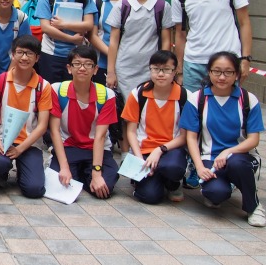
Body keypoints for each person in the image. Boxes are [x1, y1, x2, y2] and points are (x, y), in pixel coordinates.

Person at [179, 52, 265, 227]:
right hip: (209, 158)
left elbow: (253, 140)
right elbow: (191, 138)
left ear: (236, 74)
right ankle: (224, 185)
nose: (222, 77)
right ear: (209, 72)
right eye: (217, 71)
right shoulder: (197, 99)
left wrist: (228, 152)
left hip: (241, 157)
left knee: (236, 164)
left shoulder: (248, 99)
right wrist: (200, 167)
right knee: (216, 194)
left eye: (228, 72)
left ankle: (254, 207)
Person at [171, 0, 252, 93]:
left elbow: (244, 22)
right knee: (193, 105)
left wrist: (245, 58)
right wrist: (180, 69)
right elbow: (180, 34)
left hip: (226, 61)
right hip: (193, 63)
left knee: (226, 104)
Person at [49, 45, 118, 199]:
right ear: (69, 68)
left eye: (88, 64)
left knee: (104, 188)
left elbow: (100, 136)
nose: (82, 68)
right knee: (61, 185)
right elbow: (54, 131)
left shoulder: (107, 95)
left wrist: (96, 172)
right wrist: (64, 167)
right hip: (69, 146)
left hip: (97, 149)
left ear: (95, 69)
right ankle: (77, 171)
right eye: (77, 64)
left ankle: (85, 172)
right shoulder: (57, 90)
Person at [0, 35, 52, 197]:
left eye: (29, 53)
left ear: (37, 58)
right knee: (0, 162)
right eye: (20, 52)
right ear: (13, 55)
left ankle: (24, 170)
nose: (24, 57)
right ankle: (1, 172)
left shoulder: (43, 86)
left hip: (29, 143)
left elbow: (42, 126)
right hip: (2, 139)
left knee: (34, 189)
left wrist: (19, 149)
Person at [122, 51, 188, 205]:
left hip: (171, 150)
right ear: (150, 69)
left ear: (175, 71)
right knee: (150, 197)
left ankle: (173, 184)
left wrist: (160, 150)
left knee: (172, 167)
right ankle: (148, 180)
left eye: (166, 69)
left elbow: (185, 136)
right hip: (144, 150)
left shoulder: (185, 96)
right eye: (156, 69)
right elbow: (131, 131)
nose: (161, 74)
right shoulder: (138, 94)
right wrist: (139, 158)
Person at [106, 0, 172, 101]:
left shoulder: (162, 6)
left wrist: (163, 67)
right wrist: (111, 72)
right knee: (127, 107)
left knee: (148, 106)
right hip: (124, 68)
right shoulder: (121, 6)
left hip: (151, 68)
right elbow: (113, 42)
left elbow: (166, 41)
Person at [34, 0, 97, 85]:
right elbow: (46, 28)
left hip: (78, 56)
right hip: (50, 54)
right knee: (50, 91)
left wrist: (63, 24)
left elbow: (88, 24)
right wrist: (71, 39)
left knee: (74, 91)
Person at [87, 0, 125, 85]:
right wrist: (113, 54)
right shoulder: (97, 3)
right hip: (101, 63)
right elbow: (92, 35)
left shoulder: (132, 3)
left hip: (128, 63)